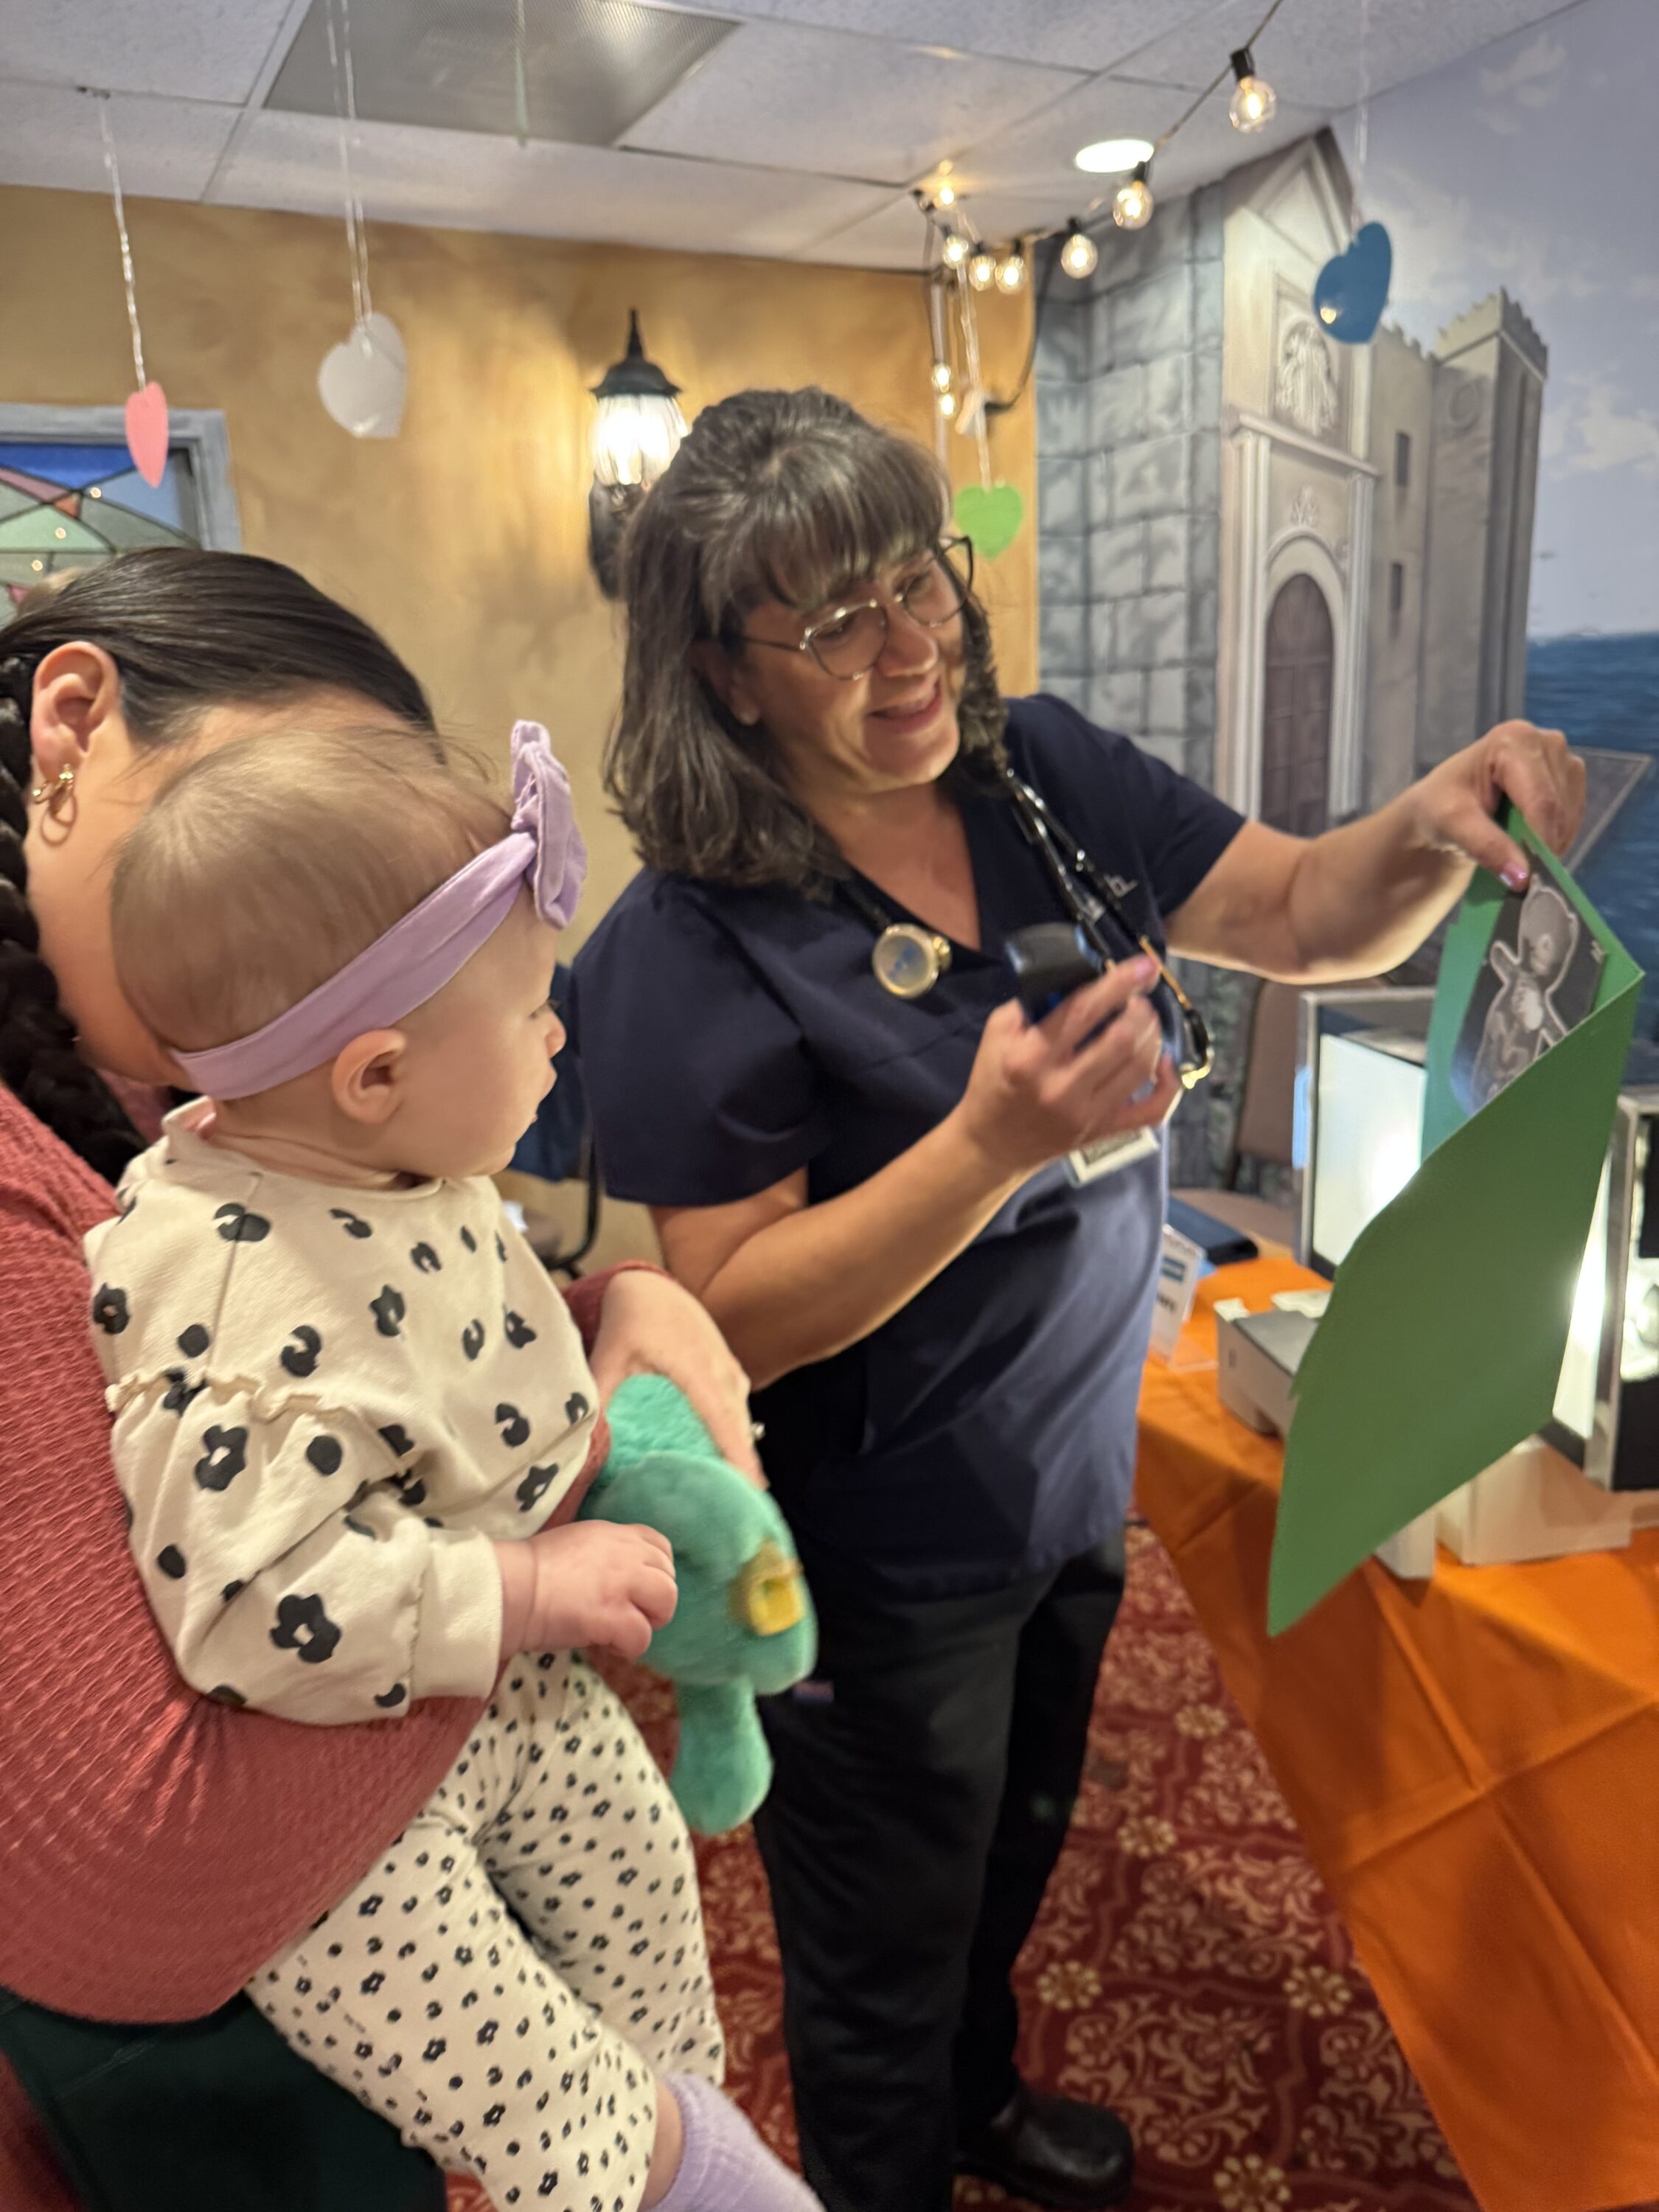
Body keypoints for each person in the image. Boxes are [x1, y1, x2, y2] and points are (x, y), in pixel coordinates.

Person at [568, 388, 1586, 2212]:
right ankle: (897, 2157)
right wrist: (988, 1146)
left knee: (1018, 1845)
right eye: (832, 623)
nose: (908, 650)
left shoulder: (1027, 765)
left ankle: (979, 2103)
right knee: (879, 1936)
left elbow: (1299, 914)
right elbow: (728, 1314)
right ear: (727, 676)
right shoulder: (694, 939)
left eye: (919, 581)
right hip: (873, 1555)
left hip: (1064, 1482)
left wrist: (1432, 824)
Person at [0, 551, 760, 2210]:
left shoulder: (221, 1105)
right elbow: (143, 1835)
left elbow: (395, 1290)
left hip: (455, 1721)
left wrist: (617, 1302)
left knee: (641, 1918)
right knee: (576, 2111)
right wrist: (527, 1585)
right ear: (70, 729)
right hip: (255, 1965)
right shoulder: (177, 1190)